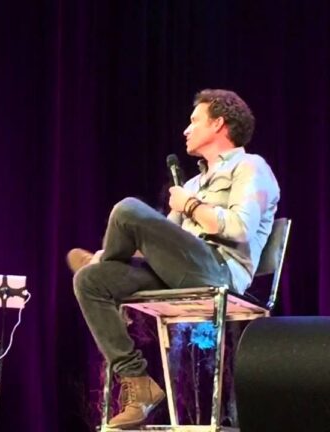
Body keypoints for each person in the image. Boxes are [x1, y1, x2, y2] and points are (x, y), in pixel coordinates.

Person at [67, 89, 280, 429]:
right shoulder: (193, 183)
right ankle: (139, 385)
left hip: (220, 271)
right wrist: (117, 252)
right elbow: (158, 238)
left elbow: (240, 229)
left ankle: (103, 258)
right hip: (179, 270)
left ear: (219, 124)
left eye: (194, 120)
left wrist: (190, 206)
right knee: (91, 281)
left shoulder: (250, 167)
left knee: (127, 208)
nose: (186, 129)